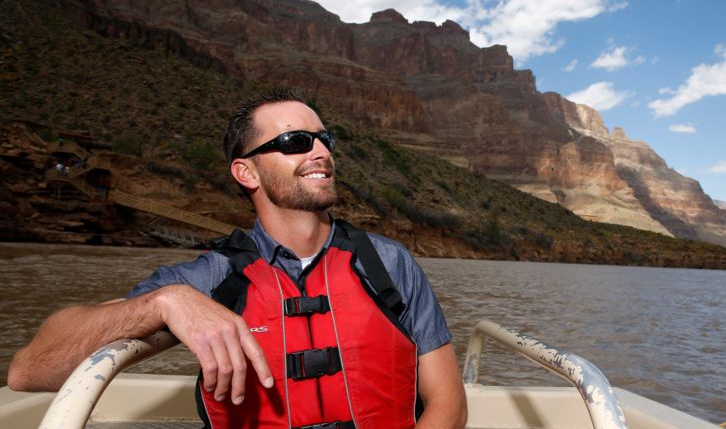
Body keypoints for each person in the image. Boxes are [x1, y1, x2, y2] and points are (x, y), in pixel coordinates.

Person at [7, 88, 468, 428]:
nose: (322, 152)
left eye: (324, 138)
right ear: (246, 171)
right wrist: (164, 302)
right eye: (294, 142)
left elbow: (448, 404)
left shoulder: (390, 263)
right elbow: (30, 371)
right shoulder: (212, 274)